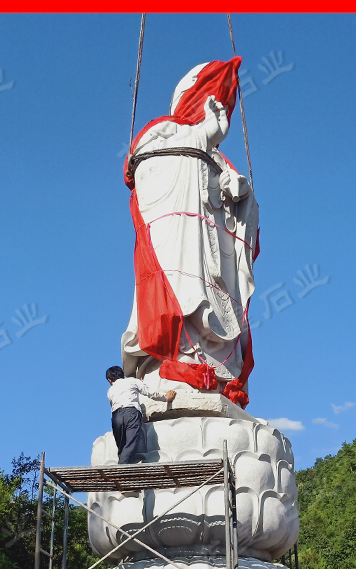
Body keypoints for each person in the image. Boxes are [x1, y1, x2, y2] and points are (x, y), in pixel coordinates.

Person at [121, 57, 258, 408]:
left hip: (213, 258)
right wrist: (202, 135)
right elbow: (142, 162)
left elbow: (238, 210)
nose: (218, 110)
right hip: (177, 245)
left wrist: (237, 192)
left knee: (216, 304)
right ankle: (171, 361)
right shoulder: (163, 132)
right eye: (211, 99)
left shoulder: (217, 156)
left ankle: (215, 370)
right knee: (177, 294)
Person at [106, 366, 176, 464]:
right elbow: (150, 393)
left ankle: (122, 464)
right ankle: (122, 467)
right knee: (131, 443)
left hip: (116, 417)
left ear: (110, 380)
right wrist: (166, 398)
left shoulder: (110, 390)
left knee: (121, 446)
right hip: (131, 413)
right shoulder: (132, 381)